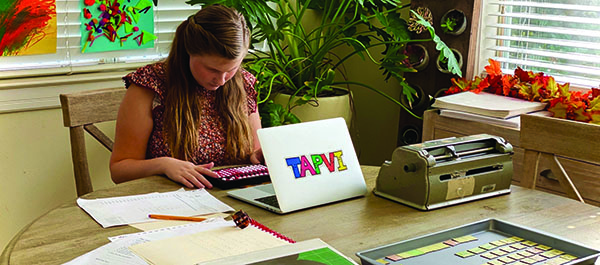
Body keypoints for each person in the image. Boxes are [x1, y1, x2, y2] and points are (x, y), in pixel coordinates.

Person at [109, 5, 263, 189]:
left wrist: (259, 156)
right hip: (169, 201)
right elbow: (119, 170)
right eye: (212, 69)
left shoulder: (243, 84)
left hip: (233, 200)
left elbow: (254, 152)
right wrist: (163, 165)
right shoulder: (151, 85)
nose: (221, 80)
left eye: (231, 69)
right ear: (189, 51)